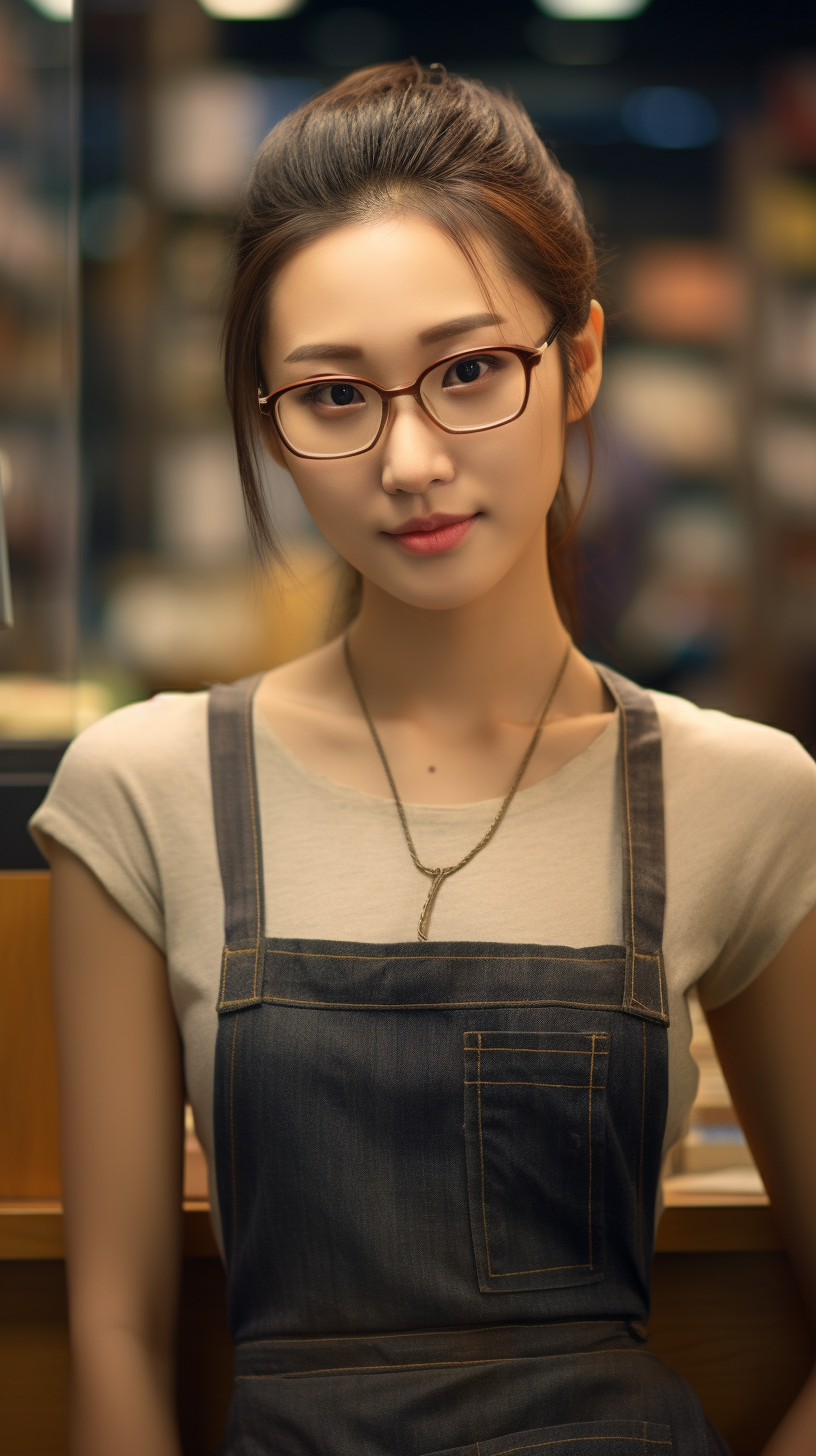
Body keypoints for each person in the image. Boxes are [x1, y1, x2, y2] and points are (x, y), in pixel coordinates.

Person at [31, 61, 816, 1456]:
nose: (408, 459)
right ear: (269, 423)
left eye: (466, 373)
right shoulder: (139, 791)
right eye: (334, 397)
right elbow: (117, 1337)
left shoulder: (741, 795)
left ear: (578, 363)